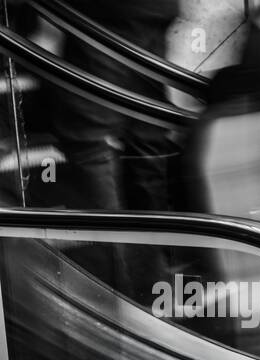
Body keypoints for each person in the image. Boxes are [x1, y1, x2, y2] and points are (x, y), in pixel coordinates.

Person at [46, 0, 182, 299]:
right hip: (150, 13)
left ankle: (122, 292)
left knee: (90, 146)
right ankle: (152, 280)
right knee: (146, 143)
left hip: (106, 16)